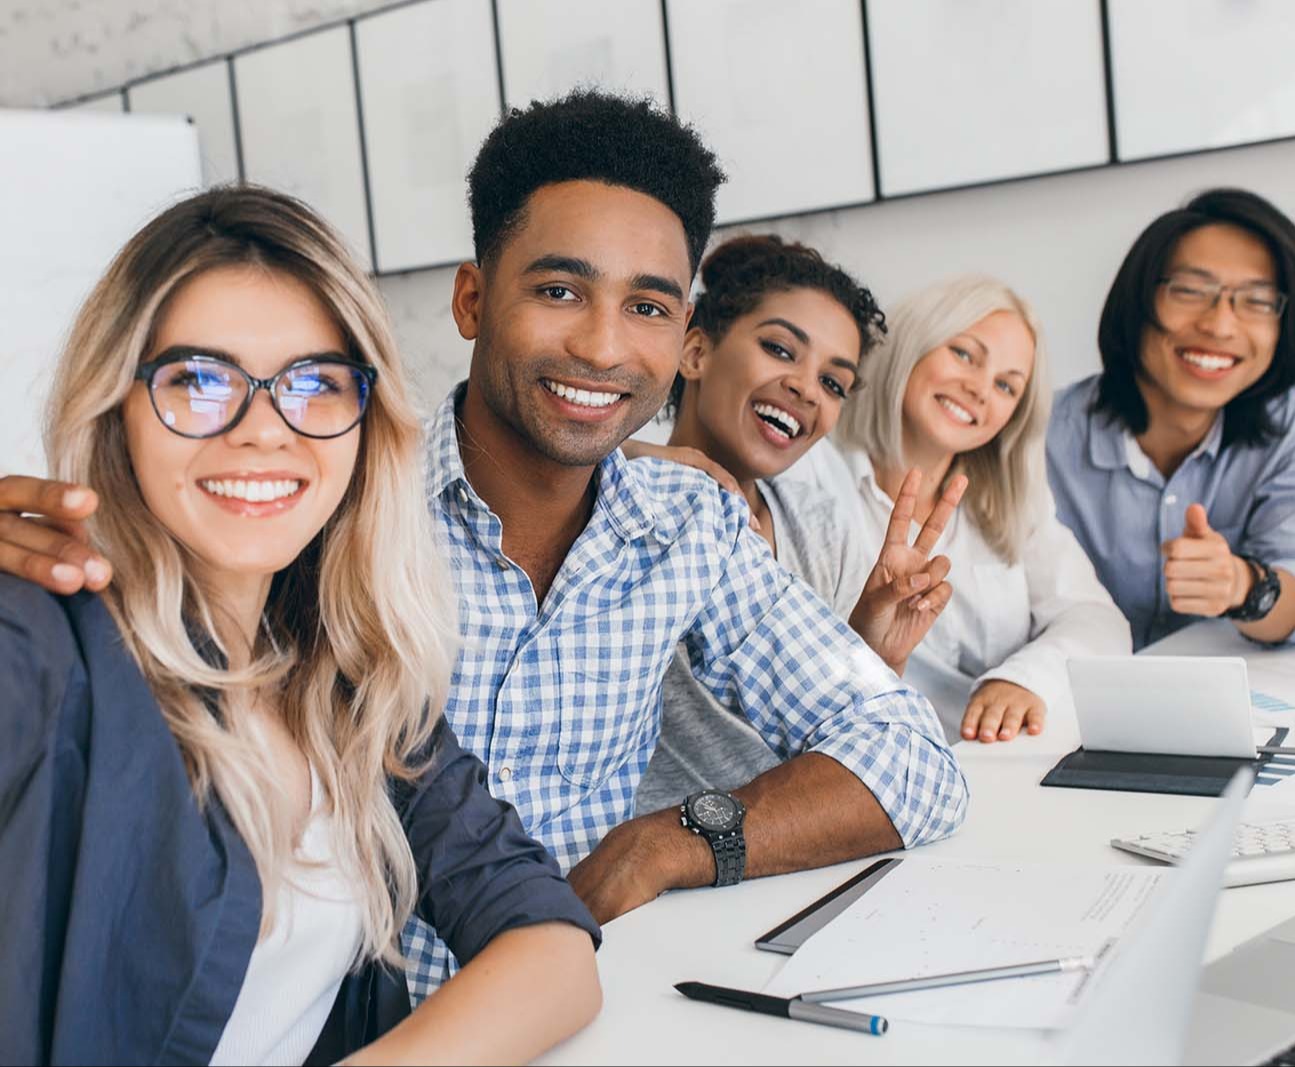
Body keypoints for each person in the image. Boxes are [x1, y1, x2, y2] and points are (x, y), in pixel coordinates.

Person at [0, 91, 968, 1002]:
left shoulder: (687, 521)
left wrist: (659, 844)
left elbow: (909, 760)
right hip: (336, 1009)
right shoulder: (326, 491)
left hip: (586, 997)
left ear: (682, 336)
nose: (600, 347)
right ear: (471, 301)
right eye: (558, 288)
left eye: (647, 308)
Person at [0, 186, 600, 1066]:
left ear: (367, 421)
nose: (262, 432)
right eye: (200, 381)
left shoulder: (345, 680)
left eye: (315, 383)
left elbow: (552, 948)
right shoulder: (40, 643)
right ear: (116, 409)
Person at [628, 235, 966, 814]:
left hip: (792, 851)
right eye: (781, 350)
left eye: (834, 383)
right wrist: (616, 457)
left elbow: (843, 746)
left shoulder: (818, 527)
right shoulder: (620, 504)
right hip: (656, 868)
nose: (807, 388)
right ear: (695, 352)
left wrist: (874, 656)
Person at [812, 276, 1132, 743]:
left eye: (1006, 386)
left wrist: (1023, 679)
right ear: (911, 346)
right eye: (964, 354)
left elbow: (1099, 621)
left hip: (1000, 761)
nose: (981, 390)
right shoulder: (817, 471)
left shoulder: (1010, 500)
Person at [1047, 187, 1295, 650]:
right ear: (1138, 299)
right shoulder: (1040, 436)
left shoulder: (1287, 430)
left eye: (1257, 300)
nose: (1220, 325)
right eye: (1190, 290)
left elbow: (1290, 594)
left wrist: (1242, 586)